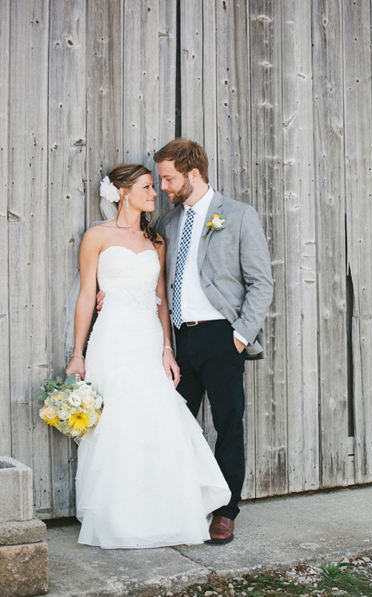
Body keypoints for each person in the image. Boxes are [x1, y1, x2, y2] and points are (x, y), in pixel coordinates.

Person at [66, 163, 231, 548]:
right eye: (146, 187)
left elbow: (162, 302)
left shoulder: (156, 240)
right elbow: (87, 295)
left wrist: (167, 348)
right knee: (117, 425)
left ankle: (165, 515)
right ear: (123, 192)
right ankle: (120, 520)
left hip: (147, 338)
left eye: (156, 187)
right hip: (111, 339)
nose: (154, 194)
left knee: (157, 421)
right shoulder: (97, 236)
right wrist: (78, 354)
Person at [152, 138, 274, 545]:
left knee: (227, 425)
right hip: (180, 342)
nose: (163, 186)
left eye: (168, 178)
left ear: (193, 174)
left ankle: (226, 511)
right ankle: (183, 503)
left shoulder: (237, 216)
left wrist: (239, 336)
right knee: (178, 426)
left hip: (222, 337)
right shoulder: (168, 224)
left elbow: (261, 282)